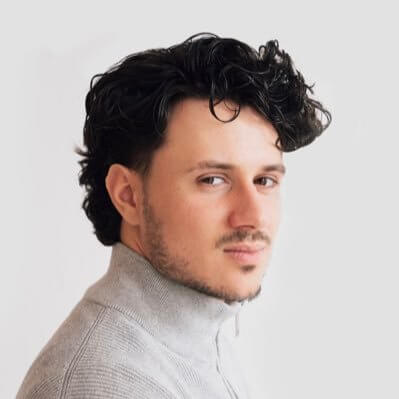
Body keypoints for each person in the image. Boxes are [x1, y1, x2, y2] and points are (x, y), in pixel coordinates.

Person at [16, 32, 331, 398]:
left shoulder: (195, 342)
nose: (254, 216)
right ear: (128, 195)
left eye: (264, 179)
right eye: (212, 179)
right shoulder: (109, 382)